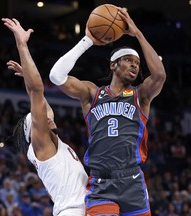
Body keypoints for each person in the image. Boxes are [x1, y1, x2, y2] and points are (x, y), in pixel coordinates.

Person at [49, 7, 166, 216]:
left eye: (138, 63)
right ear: (114, 65)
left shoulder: (140, 96)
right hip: (101, 182)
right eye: (129, 60)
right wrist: (87, 41)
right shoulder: (91, 93)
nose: (135, 65)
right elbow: (56, 76)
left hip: (132, 181)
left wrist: (137, 33)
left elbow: (159, 76)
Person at [1, 18, 88, 216]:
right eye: (41, 118)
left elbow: (43, 104)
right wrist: (22, 45)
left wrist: (27, 78)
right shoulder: (41, 145)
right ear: (35, 130)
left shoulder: (51, 144)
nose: (49, 117)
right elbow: (37, 92)